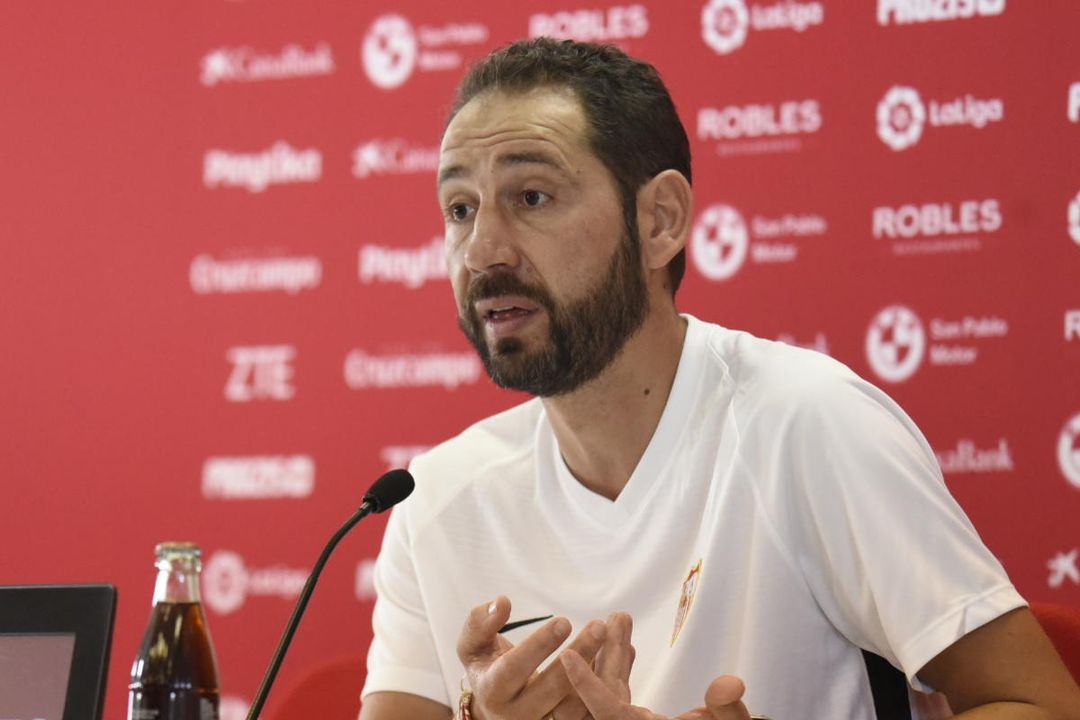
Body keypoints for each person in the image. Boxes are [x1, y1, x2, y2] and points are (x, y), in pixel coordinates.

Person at [358, 38, 1080, 720]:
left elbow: (1045, 706)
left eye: (532, 198)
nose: (481, 250)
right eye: (460, 209)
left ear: (660, 220)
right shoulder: (435, 500)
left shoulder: (808, 425)